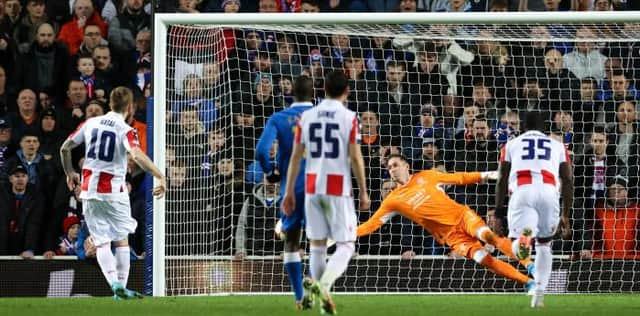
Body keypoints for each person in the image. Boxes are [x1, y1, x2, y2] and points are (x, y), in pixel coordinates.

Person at [358, 154, 535, 293]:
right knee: (483, 259)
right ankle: (529, 283)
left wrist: (486, 175)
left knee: (487, 236)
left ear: (406, 166)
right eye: (389, 168)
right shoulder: (392, 200)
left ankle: (530, 265)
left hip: (462, 216)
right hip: (451, 237)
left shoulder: (426, 176)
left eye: (395, 165)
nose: (392, 170)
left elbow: (458, 178)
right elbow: (371, 224)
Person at [59, 86, 166, 300]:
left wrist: (70, 172)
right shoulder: (125, 129)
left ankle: (114, 283)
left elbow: (65, 148)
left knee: (102, 242)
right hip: (114, 192)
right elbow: (136, 154)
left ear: (109, 103)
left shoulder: (90, 123)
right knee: (121, 241)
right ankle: (121, 290)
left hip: (89, 191)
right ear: (129, 107)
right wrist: (159, 174)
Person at [283, 71, 370, 315]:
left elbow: (296, 157)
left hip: (312, 188)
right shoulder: (349, 117)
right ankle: (324, 284)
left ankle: (323, 303)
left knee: (318, 247)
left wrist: (289, 191)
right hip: (337, 187)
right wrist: (363, 191)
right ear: (347, 91)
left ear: (323, 91)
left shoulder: (306, 116)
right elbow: (355, 156)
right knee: (346, 245)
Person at [496, 111, 573, 308]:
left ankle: (523, 240)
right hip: (549, 192)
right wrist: (566, 214)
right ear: (544, 128)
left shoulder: (510, 145)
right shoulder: (558, 145)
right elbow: (568, 179)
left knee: (519, 244)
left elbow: (502, 178)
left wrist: (498, 212)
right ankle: (539, 292)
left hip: (522, 191)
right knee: (545, 245)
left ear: (523, 127)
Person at [254, 75, 315, 310]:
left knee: (291, 241)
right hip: (321, 186)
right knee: (319, 240)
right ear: (313, 94)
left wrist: (270, 172)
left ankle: (299, 296)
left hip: (292, 188)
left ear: (291, 94)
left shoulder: (279, 118)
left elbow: (261, 151)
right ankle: (312, 277)